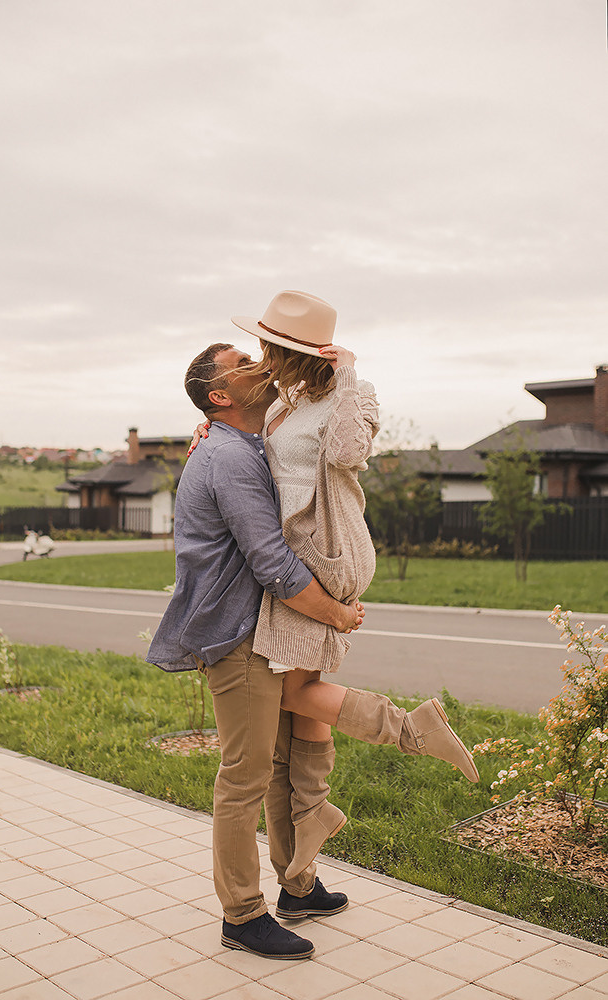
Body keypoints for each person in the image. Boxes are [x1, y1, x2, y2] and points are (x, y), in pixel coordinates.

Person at [194, 289, 479, 883]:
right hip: (307, 555)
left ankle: (409, 730)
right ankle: (307, 839)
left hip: (321, 558)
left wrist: (349, 376)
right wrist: (213, 428)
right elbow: (259, 447)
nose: (260, 359)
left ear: (292, 350)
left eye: (265, 350)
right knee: (305, 696)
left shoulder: (349, 396)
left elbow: (348, 454)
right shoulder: (288, 399)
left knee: (295, 696)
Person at [146, 341, 364, 961]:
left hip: (261, 629)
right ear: (221, 395)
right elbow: (272, 563)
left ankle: (296, 886)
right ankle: (242, 915)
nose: (262, 365)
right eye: (244, 363)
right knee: (243, 777)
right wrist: (338, 614)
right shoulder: (228, 458)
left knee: (276, 763)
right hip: (237, 634)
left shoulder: (239, 441)